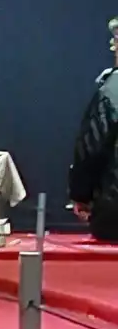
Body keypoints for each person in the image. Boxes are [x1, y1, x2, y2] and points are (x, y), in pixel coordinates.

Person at [68, 19, 118, 241]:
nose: (112, 46)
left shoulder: (111, 92)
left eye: (115, 40)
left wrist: (81, 196)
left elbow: (91, 150)